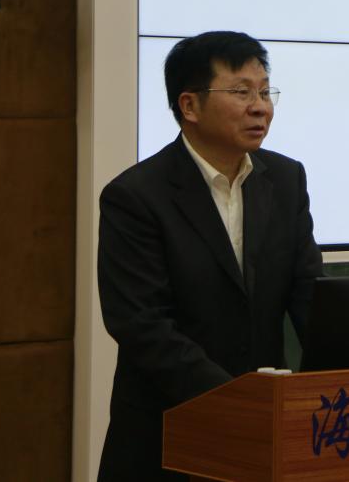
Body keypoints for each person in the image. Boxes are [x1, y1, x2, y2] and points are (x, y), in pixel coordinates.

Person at [96, 31, 323, 481]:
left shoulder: (286, 179)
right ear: (190, 106)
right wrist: (237, 400)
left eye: (265, 92)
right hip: (168, 432)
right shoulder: (136, 196)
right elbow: (142, 325)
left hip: (265, 436)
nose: (260, 107)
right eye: (241, 92)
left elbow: (310, 296)